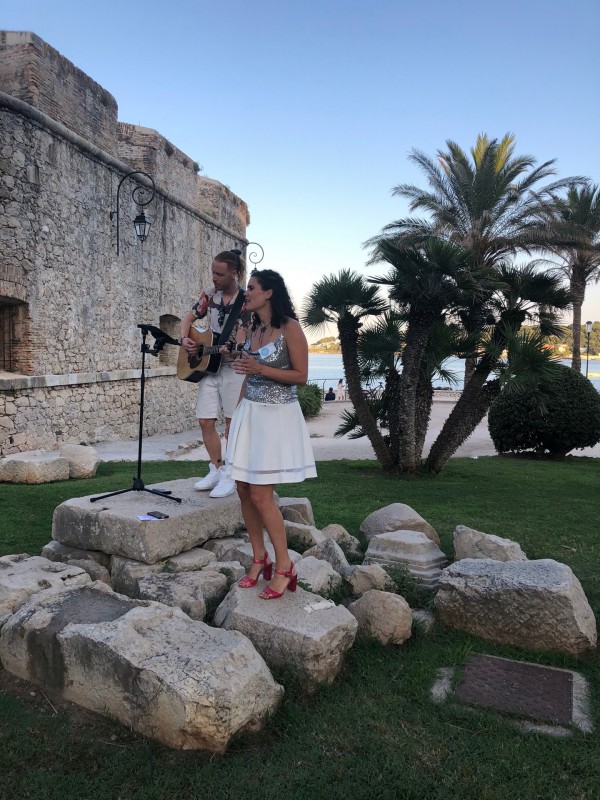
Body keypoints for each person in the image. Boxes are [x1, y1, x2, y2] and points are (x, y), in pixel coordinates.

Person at [224, 269, 317, 599]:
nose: (245, 293)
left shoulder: (290, 328)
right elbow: (248, 376)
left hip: (276, 417)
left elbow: (302, 375)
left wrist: (260, 368)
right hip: (250, 412)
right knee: (243, 488)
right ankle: (258, 557)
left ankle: (284, 566)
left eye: (251, 288)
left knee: (262, 495)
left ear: (269, 293)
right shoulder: (253, 328)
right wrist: (235, 416)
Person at [180, 249, 251, 498]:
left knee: (232, 424)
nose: (214, 278)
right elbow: (187, 319)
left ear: (235, 273)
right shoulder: (208, 296)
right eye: (212, 272)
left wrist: (234, 348)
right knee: (205, 420)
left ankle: (231, 474)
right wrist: (185, 339)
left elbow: (241, 336)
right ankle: (217, 468)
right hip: (210, 366)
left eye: (220, 274)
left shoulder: (245, 301)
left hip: (233, 367)